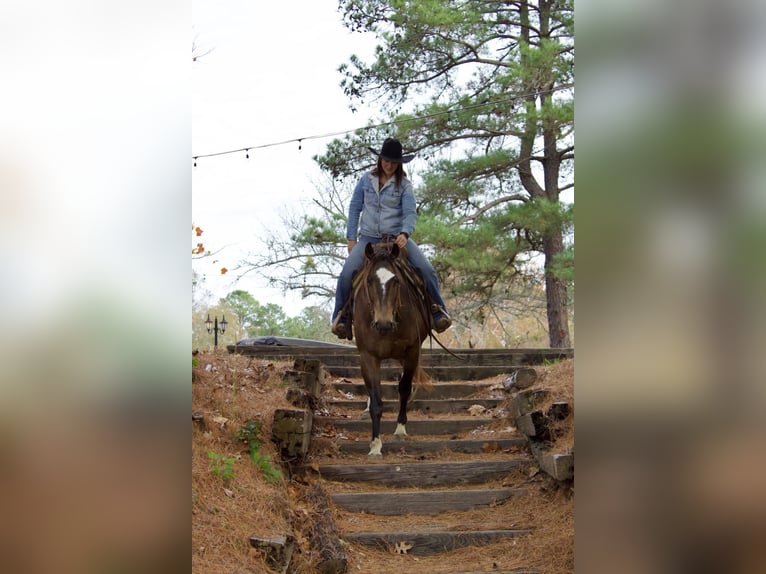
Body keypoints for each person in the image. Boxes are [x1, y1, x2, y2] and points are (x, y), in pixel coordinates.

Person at [331, 137, 451, 339]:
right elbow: (354, 207)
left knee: (426, 269)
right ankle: (341, 318)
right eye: (386, 161)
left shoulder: (404, 185)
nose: (389, 165)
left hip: (396, 238)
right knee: (346, 273)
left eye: (393, 162)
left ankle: (437, 311)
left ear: (399, 164)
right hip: (368, 238)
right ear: (380, 160)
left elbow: (410, 212)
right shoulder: (365, 180)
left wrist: (405, 233)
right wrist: (351, 238)